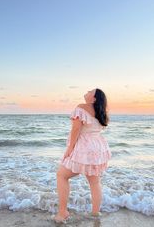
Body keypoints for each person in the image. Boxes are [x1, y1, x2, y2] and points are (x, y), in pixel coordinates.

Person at [52, 88, 112, 223]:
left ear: (94, 98)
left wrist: (70, 148)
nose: (88, 90)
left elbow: (76, 129)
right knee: (94, 182)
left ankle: (62, 213)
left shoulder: (81, 107)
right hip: (98, 147)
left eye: (91, 91)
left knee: (61, 175)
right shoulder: (102, 112)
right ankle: (96, 213)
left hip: (84, 148)